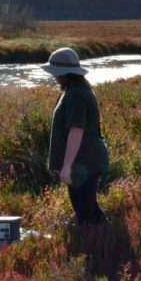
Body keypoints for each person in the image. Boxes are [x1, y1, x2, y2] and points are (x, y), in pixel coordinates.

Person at [42, 47, 109, 225]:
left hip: (84, 162)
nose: (53, 76)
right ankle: (103, 237)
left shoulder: (76, 96)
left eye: (55, 72)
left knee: (85, 211)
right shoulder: (74, 91)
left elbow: (76, 132)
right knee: (87, 207)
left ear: (64, 73)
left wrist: (67, 166)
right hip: (85, 161)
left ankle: (96, 247)